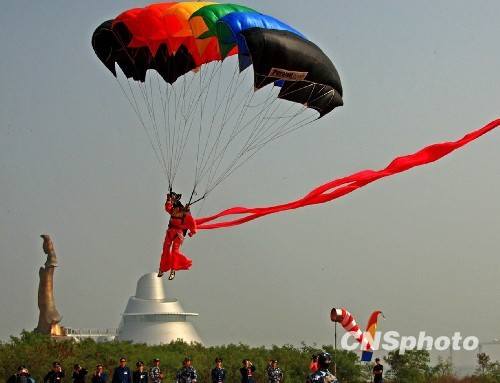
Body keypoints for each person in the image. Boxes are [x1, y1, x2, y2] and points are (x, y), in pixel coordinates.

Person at [158, 192, 197, 280]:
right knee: (165, 249)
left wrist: (192, 232)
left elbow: (191, 222)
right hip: (170, 232)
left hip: (178, 234)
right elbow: (168, 208)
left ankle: (173, 270)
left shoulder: (184, 212)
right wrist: (168, 200)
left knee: (175, 251)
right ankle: (162, 268)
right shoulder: (172, 209)